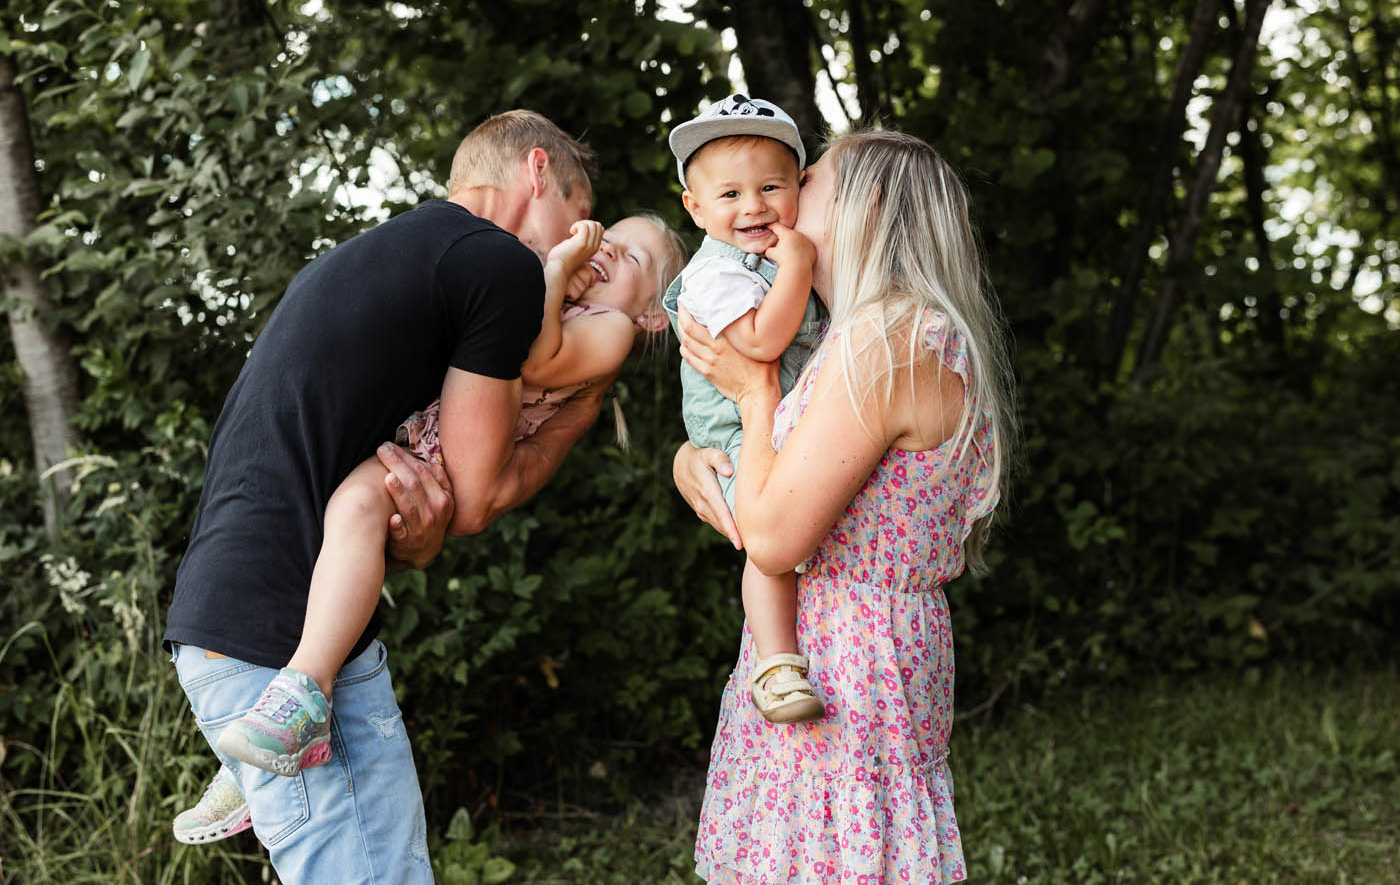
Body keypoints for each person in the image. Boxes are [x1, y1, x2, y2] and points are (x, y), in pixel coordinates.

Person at [163, 110, 602, 880]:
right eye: (580, 214)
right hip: (281, 646)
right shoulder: (498, 263)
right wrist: (577, 416)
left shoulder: (383, 256)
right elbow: (475, 499)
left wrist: (413, 538)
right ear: (538, 172)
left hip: (231, 621)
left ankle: (242, 771)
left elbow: (372, 484)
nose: (584, 247)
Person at [673, 129, 1015, 884]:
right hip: (834, 637)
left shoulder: (890, 342)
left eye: (807, 181)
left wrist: (753, 391)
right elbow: (783, 476)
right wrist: (691, 454)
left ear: (869, 205)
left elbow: (772, 539)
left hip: (855, 656)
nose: (783, 198)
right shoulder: (859, 334)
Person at [664, 93, 828, 724]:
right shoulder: (716, 273)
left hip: (783, 418)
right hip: (735, 429)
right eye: (730, 194)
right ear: (695, 207)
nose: (754, 206)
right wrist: (799, 264)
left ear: (799, 188)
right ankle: (777, 664)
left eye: (770, 187)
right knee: (769, 542)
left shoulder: (777, 258)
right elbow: (760, 342)